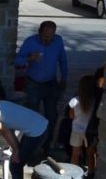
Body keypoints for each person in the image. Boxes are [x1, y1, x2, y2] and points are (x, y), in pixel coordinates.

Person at [14, 20, 68, 154]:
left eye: (51, 35)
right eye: (45, 36)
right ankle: (30, 143)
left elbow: (63, 60)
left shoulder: (58, 41)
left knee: (51, 114)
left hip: (51, 82)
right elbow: (17, 60)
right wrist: (29, 58)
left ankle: (47, 143)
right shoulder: (30, 41)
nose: (48, 39)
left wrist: (64, 78)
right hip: (33, 82)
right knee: (32, 113)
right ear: (39, 32)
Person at [67, 75, 98, 169]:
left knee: (75, 154)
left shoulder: (74, 101)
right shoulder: (95, 101)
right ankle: (91, 174)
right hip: (90, 131)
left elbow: (71, 116)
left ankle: (74, 174)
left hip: (76, 130)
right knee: (90, 155)